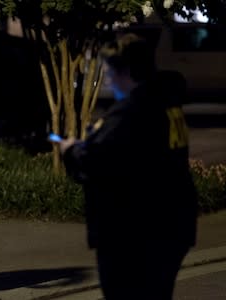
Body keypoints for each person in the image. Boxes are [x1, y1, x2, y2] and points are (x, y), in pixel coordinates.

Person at [51, 33, 198, 300]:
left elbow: (96, 165)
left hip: (135, 233)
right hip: (173, 223)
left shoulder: (132, 112)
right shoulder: (166, 101)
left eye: (108, 71)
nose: (106, 78)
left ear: (126, 70)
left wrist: (71, 150)